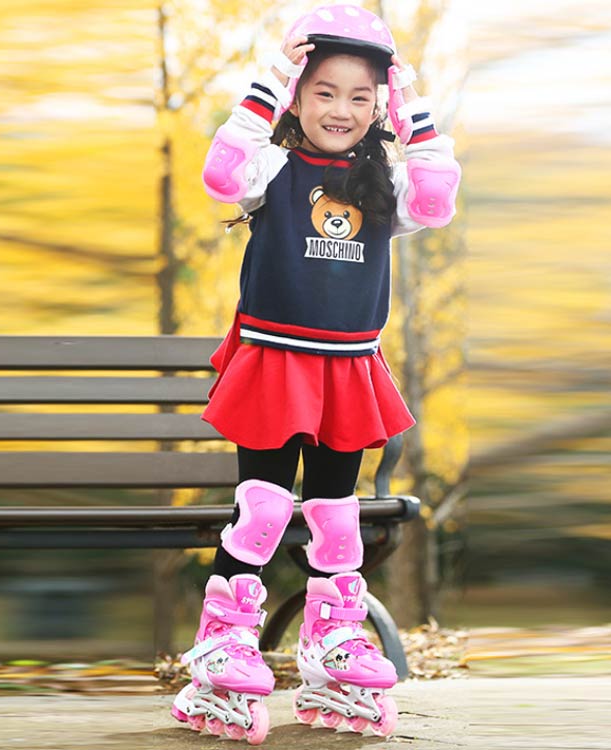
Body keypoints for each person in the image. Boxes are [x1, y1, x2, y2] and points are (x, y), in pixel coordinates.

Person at [170, 4, 461, 744]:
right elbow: (221, 170)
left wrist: (414, 106)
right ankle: (225, 640)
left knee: (336, 519)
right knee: (264, 507)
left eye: (362, 96)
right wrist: (269, 78)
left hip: (345, 371)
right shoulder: (274, 170)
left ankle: (332, 640)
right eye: (325, 91)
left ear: (381, 106)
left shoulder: (384, 184)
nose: (342, 109)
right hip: (275, 364)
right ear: (299, 97)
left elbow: (435, 198)